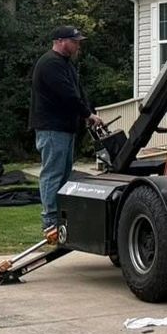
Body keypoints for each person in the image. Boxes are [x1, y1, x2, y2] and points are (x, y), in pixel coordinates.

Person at [30, 24, 105, 239]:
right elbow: (67, 96)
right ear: (61, 41)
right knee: (52, 174)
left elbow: (78, 93)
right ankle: (50, 221)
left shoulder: (65, 65)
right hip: (52, 128)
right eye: (75, 41)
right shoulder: (50, 64)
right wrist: (87, 115)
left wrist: (88, 113)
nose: (78, 45)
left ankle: (62, 218)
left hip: (64, 128)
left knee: (63, 174)